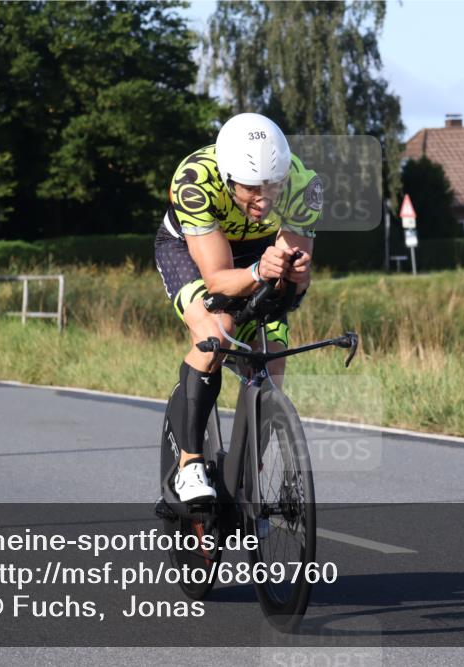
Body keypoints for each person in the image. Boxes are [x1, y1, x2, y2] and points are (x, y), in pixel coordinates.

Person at [155, 113, 323, 503]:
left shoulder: (304, 184)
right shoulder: (196, 179)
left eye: (273, 187)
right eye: (250, 188)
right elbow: (216, 278)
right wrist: (256, 270)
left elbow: (294, 286)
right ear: (229, 177)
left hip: (258, 252)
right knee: (217, 332)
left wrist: (295, 275)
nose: (263, 200)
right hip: (193, 249)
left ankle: (249, 475)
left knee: (272, 353)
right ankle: (190, 464)